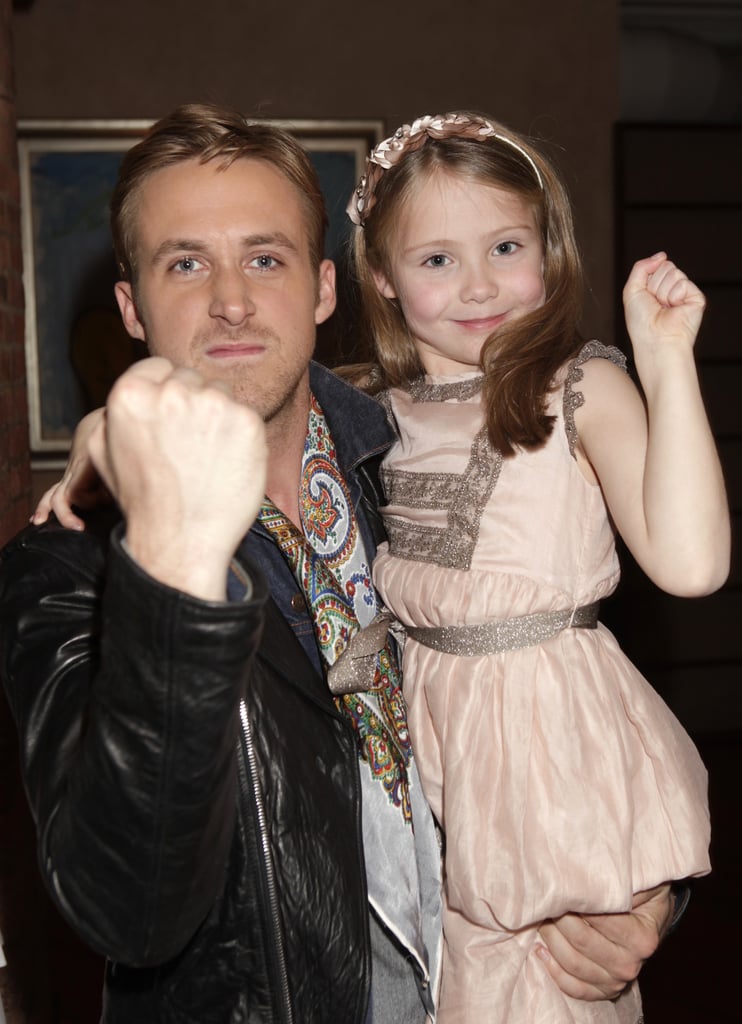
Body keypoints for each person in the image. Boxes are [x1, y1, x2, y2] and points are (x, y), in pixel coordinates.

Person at [3, 103, 677, 1024]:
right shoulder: (67, 568)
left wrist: (640, 895)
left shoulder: (414, 462)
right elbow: (131, 910)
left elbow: (572, 688)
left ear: (327, 289)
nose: (231, 300)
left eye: (265, 258)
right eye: (186, 263)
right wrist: (169, 559)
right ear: (130, 306)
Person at [345, 112, 730, 1023]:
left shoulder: (580, 386)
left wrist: (666, 358)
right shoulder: (356, 409)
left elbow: (692, 563)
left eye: (506, 245)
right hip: (418, 755)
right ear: (381, 279)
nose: (478, 285)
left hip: (544, 762)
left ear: (549, 250)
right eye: (435, 259)